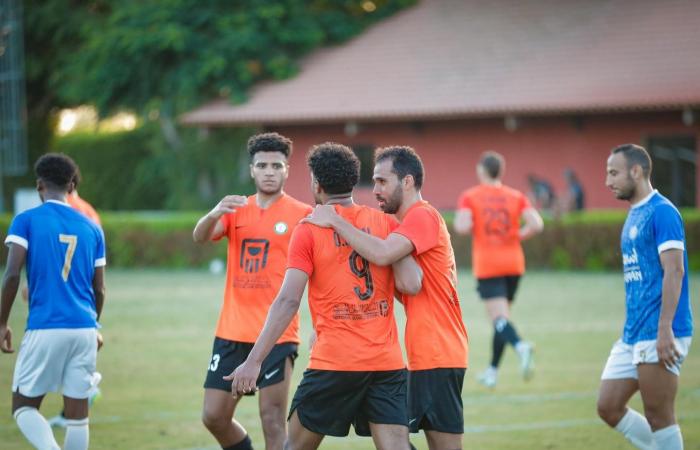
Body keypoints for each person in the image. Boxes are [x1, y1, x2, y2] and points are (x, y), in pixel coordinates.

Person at [228, 142, 422, 450]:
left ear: (316, 184)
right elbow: (412, 283)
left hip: (335, 363)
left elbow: (288, 300)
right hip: (385, 363)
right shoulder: (384, 222)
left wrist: (253, 361)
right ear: (353, 181)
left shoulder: (308, 229)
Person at [302, 145, 468, 450]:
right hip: (425, 353)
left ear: (406, 182)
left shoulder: (422, 216)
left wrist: (335, 220)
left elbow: (381, 254)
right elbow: (397, 279)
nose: (375, 190)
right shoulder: (403, 228)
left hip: (439, 352)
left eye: (382, 182)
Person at [192, 132, 312, 450]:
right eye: (262, 165)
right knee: (213, 415)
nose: (269, 171)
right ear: (252, 170)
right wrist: (214, 212)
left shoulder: (302, 215)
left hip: (277, 335)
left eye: (276, 165)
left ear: (287, 170)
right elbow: (201, 236)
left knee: (273, 420)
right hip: (231, 332)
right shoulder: (234, 210)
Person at [1, 153, 107, 450]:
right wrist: (95, 324)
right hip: (85, 328)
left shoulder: (26, 221)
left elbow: (11, 276)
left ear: (39, 186)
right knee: (78, 418)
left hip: (46, 326)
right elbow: (99, 290)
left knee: (23, 408)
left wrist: (1, 323)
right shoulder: (92, 228)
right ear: (72, 185)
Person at [597, 144, 693, 450]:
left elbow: (674, 271)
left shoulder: (662, 212)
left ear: (636, 172)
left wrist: (665, 328)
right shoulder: (634, 215)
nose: (607, 181)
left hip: (661, 330)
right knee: (608, 406)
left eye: (614, 173)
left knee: (659, 416)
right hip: (633, 333)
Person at [454, 151, 543, 388]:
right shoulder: (515, 196)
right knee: (502, 319)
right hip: (514, 263)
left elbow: (461, 226)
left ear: (482, 170)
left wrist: (475, 223)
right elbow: (537, 224)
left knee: (499, 319)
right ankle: (492, 371)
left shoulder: (470, 196)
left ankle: (521, 346)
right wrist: (515, 236)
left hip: (489, 264)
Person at [48, 167, 104, 428]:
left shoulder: (62, 209)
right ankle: (69, 409)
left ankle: (86, 388)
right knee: (74, 352)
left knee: (59, 350)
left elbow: (56, 254)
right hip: (86, 294)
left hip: (64, 294)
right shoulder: (90, 211)